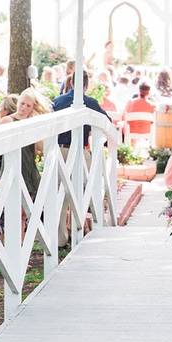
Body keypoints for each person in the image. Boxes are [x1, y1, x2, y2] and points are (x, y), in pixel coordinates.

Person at [52, 72, 110, 247]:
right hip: (80, 152)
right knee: (91, 189)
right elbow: (107, 123)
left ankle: (60, 238)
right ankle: (96, 229)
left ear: (70, 82)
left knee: (59, 194)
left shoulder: (58, 101)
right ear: (86, 85)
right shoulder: (90, 103)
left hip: (60, 150)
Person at [123, 82, 155, 151]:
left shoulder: (130, 103)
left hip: (132, 130)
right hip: (146, 131)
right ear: (149, 93)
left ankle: (131, 149)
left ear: (139, 91)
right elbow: (153, 121)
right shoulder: (152, 106)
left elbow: (124, 117)